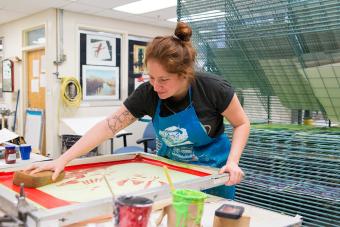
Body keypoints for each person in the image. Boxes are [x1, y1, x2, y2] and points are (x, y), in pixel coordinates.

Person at [27, 22, 250, 199]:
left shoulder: (213, 88)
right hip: (173, 172)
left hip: (213, 174)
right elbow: (108, 126)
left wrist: (233, 162)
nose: (156, 85)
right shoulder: (148, 93)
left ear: (185, 74)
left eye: (163, 79)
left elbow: (241, 123)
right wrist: (62, 160)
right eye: (151, 77)